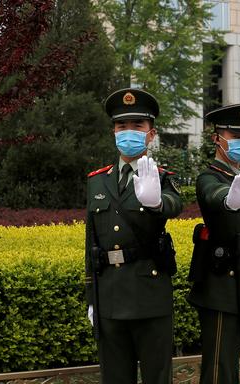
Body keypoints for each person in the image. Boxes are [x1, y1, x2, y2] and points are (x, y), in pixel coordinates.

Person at [84, 88, 183, 384]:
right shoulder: (97, 180)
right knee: (114, 378)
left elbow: (175, 205)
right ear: (113, 132)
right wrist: (92, 298)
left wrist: (156, 203)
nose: (128, 132)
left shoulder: (162, 177)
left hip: (149, 296)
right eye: (121, 126)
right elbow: (91, 243)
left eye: (137, 126)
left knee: (156, 377)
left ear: (151, 134)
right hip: (110, 297)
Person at [188, 103, 240, 384]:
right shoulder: (211, 177)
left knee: (230, 361)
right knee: (218, 367)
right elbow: (212, 194)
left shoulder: (239, 177)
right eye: (234, 136)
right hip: (220, 287)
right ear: (216, 138)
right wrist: (228, 200)